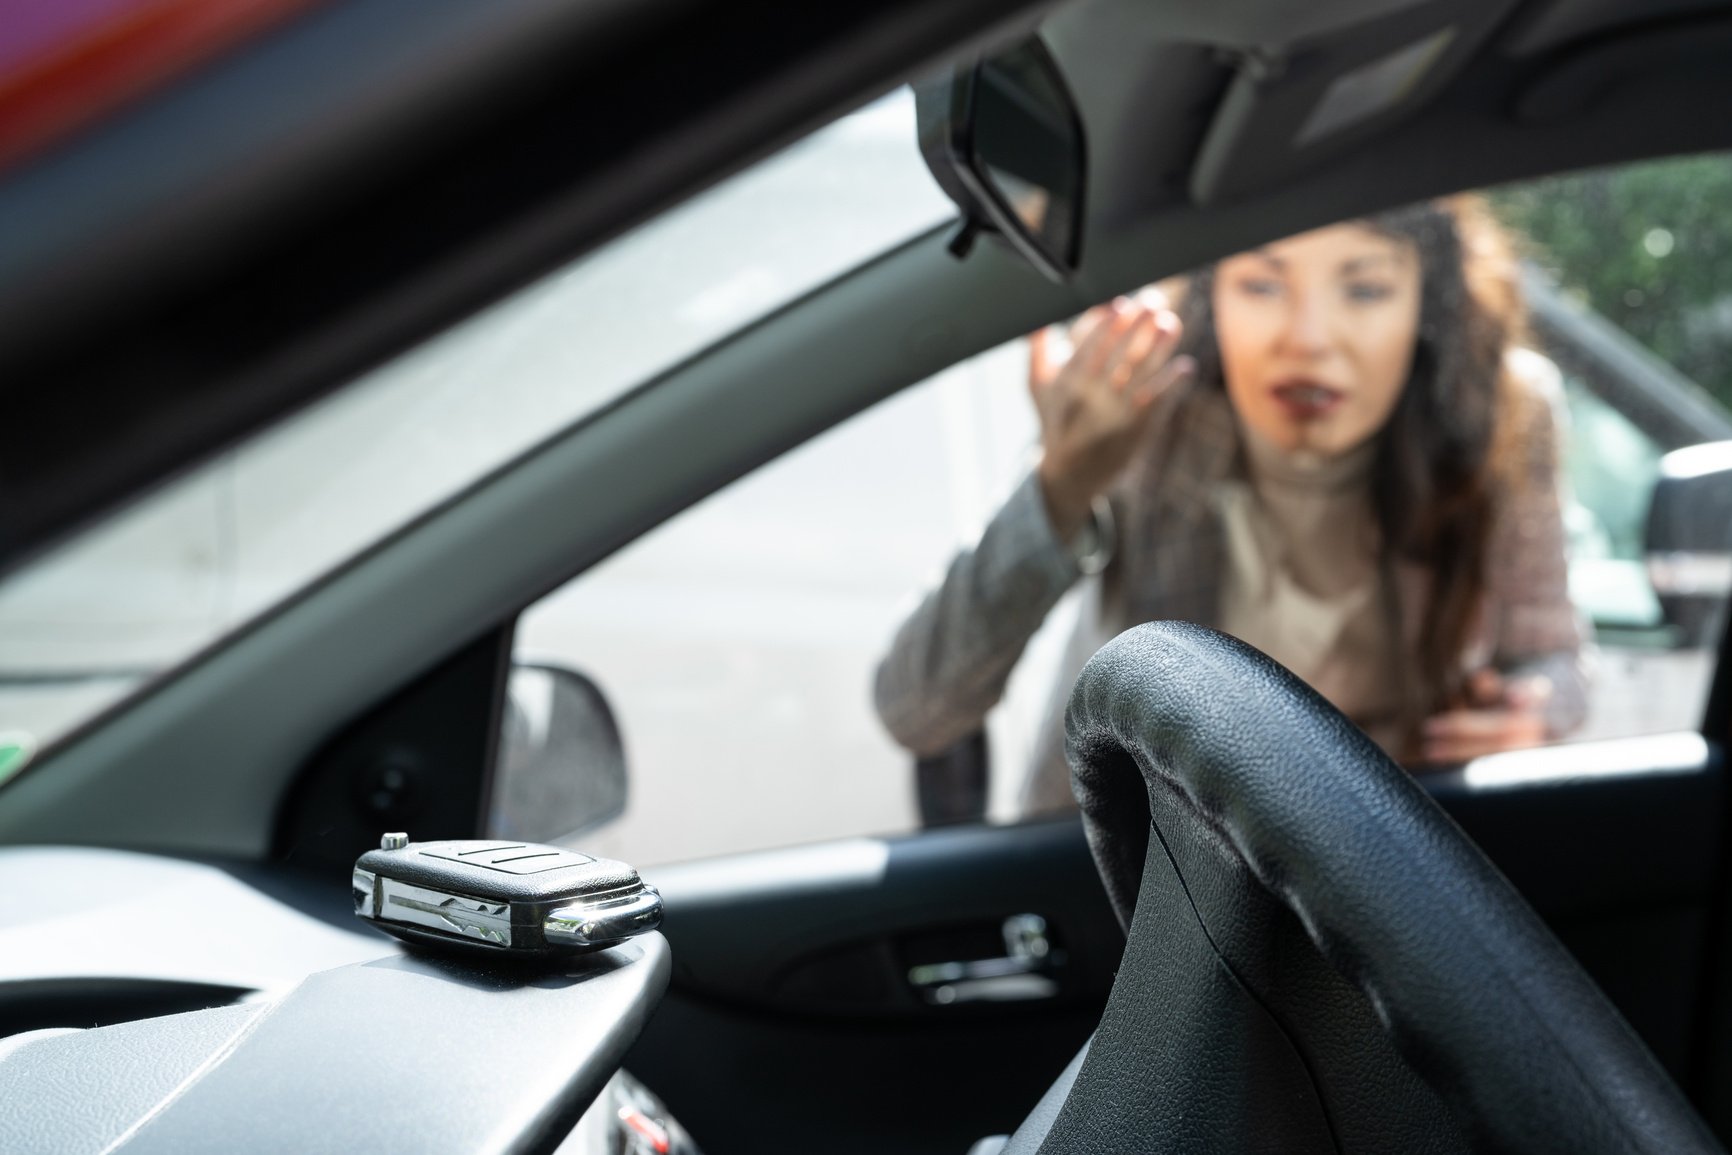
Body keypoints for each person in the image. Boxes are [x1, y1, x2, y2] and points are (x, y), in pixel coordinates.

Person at [874, 196, 1590, 815]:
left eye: (1365, 289)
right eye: (1260, 283)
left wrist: (1531, 715)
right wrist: (1063, 484)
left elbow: (1552, 657)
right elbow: (919, 706)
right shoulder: (1147, 411)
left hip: (1391, 901)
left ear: (1426, 302)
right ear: (1212, 293)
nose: (1307, 339)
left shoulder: (1501, 418)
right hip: (1149, 890)